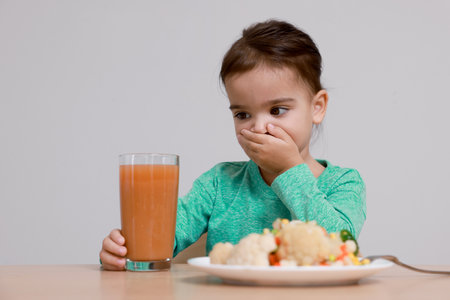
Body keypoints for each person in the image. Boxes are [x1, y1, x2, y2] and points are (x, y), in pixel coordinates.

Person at [100, 19, 366, 271]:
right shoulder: (220, 183)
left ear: (317, 108)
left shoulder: (343, 183)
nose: (259, 127)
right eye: (242, 114)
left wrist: (290, 170)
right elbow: (162, 239)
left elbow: (343, 247)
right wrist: (123, 249)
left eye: (277, 110)